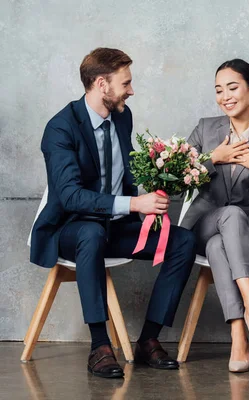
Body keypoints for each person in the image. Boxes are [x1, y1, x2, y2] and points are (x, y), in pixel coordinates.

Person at [30, 48, 197, 378]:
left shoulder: (122, 115)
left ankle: (148, 340)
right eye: (126, 83)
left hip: (117, 228)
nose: (131, 91)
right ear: (101, 83)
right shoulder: (61, 128)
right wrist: (136, 204)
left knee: (184, 240)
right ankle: (99, 347)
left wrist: (163, 177)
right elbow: (71, 196)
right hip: (71, 228)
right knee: (91, 233)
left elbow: (125, 168)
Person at [180, 59, 249, 373]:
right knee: (227, 216)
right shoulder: (204, 129)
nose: (224, 96)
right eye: (218, 90)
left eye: (232, 87)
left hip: (247, 233)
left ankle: (239, 332)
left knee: (219, 245)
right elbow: (177, 178)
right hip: (203, 223)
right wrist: (214, 158)